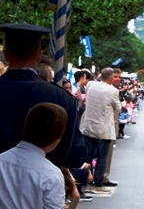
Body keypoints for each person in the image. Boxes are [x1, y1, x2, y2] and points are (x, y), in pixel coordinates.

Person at [0, 24, 85, 169]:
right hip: (39, 186)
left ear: (6, 54)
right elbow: (75, 157)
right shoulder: (61, 98)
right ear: (39, 56)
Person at [80, 67, 124, 190]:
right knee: (102, 157)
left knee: (88, 156)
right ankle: (98, 182)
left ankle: (86, 181)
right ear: (110, 78)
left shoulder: (90, 85)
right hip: (103, 129)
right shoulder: (113, 91)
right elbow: (118, 109)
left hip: (88, 127)